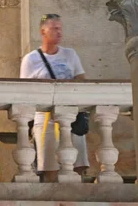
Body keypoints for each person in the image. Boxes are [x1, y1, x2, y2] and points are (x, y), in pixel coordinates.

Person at [20, 14, 88, 182]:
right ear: (43, 31)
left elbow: (81, 80)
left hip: (71, 115)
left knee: (77, 164)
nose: (59, 32)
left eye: (60, 28)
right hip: (45, 117)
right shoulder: (31, 59)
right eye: (54, 28)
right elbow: (23, 92)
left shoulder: (70, 54)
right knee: (49, 165)